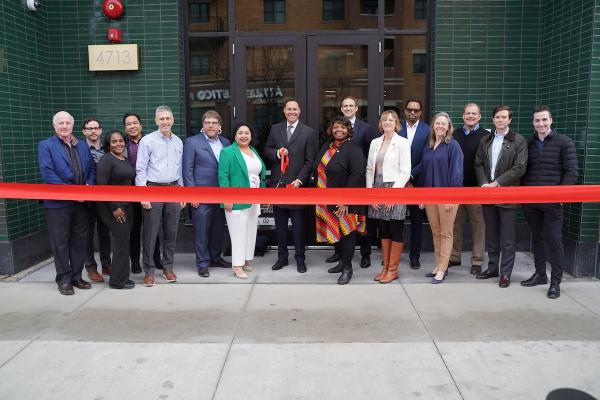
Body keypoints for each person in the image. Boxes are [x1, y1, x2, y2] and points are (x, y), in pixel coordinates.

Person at [521, 105, 578, 299]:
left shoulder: (564, 142)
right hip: (531, 201)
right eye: (537, 120)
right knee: (537, 238)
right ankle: (539, 274)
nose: (541, 123)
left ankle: (555, 282)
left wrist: (560, 196)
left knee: (554, 240)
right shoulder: (527, 143)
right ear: (533, 123)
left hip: (553, 202)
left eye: (544, 120)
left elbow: (571, 172)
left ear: (551, 120)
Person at [38, 111, 96, 295]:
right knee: (61, 241)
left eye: (67, 123)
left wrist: (87, 187)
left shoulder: (82, 145)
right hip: (58, 203)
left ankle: (77, 277)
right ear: (54, 126)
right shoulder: (46, 145)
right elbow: (48, 174)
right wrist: (73, 193)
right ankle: (63, 279)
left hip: (82, 202)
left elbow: (92, 169)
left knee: (79, 241)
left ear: (72, 125)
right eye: (60, 123)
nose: (64, 126)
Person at [474, 105, 528, 288]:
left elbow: (519, 168)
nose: (500, 120)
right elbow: (478, 163)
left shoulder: (518, 141)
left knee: (507, 238)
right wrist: (484, 185)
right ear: (492, 119)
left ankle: (505, 273)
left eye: (504, 117)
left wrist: (497, 183)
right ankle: (492, 268)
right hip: (488, 195)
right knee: (491, 235)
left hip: (507, 195)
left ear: (510, 120)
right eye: (497, 117)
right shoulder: (486, 140)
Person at [264, 99, 318, 273]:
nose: (292, 112)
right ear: (284, 111)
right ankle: (282, 257)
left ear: (299, 111)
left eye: (295, 109)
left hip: (297, 187)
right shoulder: (275, 129)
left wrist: (300, 180)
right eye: (289, 109)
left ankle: (300, 259)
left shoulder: (309, 133)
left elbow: (310, 161)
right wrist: (277, 154)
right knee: (279, 226)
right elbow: (267, 150)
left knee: (298, 228)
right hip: (278, 186)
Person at [325, 96, 378, 268]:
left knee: (359, 225)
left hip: (355, 186)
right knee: (341, 226)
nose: (348, 108)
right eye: (345, 105)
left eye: (351, 105)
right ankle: (341, 257)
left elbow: (370, 157)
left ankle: (365, 254)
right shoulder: (331, 142)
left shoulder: (366, 129)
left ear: (356, 108)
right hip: (336, 188)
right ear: (341, 109)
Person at [135, 105, 185, 287]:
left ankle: (168, 268)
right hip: (152, 189)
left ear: (172, 120)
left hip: (173, 189)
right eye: (161, 119)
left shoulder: (178, 142)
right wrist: (143, 194)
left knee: (171, 232)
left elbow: (179, 169)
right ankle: (148, 271)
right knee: (150, 233)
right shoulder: (147, 141)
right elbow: (140, 169)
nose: (165, 122)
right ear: (156, 121)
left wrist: (181, 191)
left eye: (168, 118)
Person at [314, 116, 366, 285]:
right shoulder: (328, 146)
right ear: (332, 128)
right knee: (337, 231)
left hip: (346, 201)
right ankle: (342, 262)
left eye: (343, 128)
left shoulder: (353, 149)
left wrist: (345, 200)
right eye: (336, 127)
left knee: (347, 232)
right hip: (327, 199)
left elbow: (357, 175)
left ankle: (347, 268)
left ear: (348, 130)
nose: (339, 130)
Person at [415, 112, 463, 283]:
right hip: (429, 196)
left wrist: (451, 196)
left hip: (447, 196)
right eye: (438, 123)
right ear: (433, 126)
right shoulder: (428, 146)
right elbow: (424, 172)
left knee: (446, 233)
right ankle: (438, 265)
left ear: (449, 127)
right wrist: (421, 196)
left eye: (444, 124)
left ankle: (443, 268)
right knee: (435, 232)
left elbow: (457, 172)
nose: (441, 126)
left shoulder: (453, 145)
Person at [183, 110, 231, 278]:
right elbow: (187, 170)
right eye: (207, 122)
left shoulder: (226, 142)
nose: (211, 125)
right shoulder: (191, 142)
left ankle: (215, 258)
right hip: (201, 195)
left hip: (221, 194)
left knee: (218, 229)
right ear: (202, 125)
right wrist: (192, 194)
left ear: (219, 126)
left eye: (214, 123)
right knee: (202, 230)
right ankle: (202, 263)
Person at [366, 110, 411, 284]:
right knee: (383, 228)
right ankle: (385, 268)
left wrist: (394, 194)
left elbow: (406, 171)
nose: (387, 122)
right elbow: (370, 169)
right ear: (381, 123)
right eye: (385, 119)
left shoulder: (402, 143)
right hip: (377, 186)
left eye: (391, 120)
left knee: (395, 229)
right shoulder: (375, 142)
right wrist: (371, 194)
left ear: (396, 123)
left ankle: (393, 270)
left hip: (395, 187)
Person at [218, 123, 266, 279]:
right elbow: (223, 176)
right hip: (236, 199)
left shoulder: (253, 151)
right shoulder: (227, 152)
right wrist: (227, 197)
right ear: (235, 135)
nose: (244, 135)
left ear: (251, 136)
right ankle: (237, 266)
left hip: (254, 197)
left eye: (247, 132)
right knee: (238, 232)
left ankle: (245, 260)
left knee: (250, 231)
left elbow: (260, 174)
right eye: (240, 133)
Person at [448, 103, 489, 275]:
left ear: (479, 116)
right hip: (457, 188)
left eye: (474, 114)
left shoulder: (487, 136)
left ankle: (477, 261)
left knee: (478, 226)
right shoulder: (454, 134)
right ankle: (455, 257)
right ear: (463, 115)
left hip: (476, 189)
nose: (470, 116)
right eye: (467, 113)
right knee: (455, 225)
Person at [123, 112, 163, 274]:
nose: (132, 126)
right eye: (128, 124)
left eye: (135, 123)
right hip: (131, 192)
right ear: (125, 128)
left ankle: (156, 258)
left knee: (152, 228)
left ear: (141, 125)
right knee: (134, 228)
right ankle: (135, 261)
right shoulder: (122, 144)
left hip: (151, 188)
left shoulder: (152, 140)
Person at [96, 130, 136, 289]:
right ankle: (117, 281)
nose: (118, 144)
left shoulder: (125, 159)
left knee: (124, 240)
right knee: (121, 241)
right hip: (112, 207)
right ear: (108, 144)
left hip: (127, 205)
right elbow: (102, 187)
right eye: (114, 141)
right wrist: (115, 207)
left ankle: (123, 277)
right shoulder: (106, 160)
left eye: (121, 141)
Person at [400, 99, 430, 269]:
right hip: (397, 181)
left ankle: (414, 255)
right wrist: (402, 178)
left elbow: (427, 156)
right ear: (405, 111)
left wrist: (410, 176)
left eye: (416, 110)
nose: (412, 113)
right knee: (395, 218)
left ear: (420, 112)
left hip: (418, 181)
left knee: (416, 221)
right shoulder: (398, 128)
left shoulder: (427, 130)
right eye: (410, 109)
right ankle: (392, 254)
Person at [81, 117, 112, 282]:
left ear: (100, 130)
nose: (93, 131)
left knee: (104, 232)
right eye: (89, 128)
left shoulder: (108, 149)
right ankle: (91, 268)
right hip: (87, 198)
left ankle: (107, 264)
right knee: (87, 233)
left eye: (96, 128)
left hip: (105, 198)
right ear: (84, 131)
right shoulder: (79, 149)